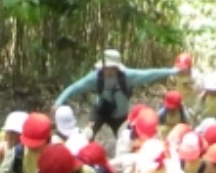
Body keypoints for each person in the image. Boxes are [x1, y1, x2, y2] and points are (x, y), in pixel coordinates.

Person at [55, 50, 188, 143]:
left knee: (125, 139)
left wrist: (174, 70)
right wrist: (59, 101)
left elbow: (150, 74)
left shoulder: (127, 76)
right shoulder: (96, 76)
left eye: (111, 68)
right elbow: (76, 87)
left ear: (117, 68)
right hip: (101, 111)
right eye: (106, 67)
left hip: (120, 116)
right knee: (87, 135)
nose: (108, 70)